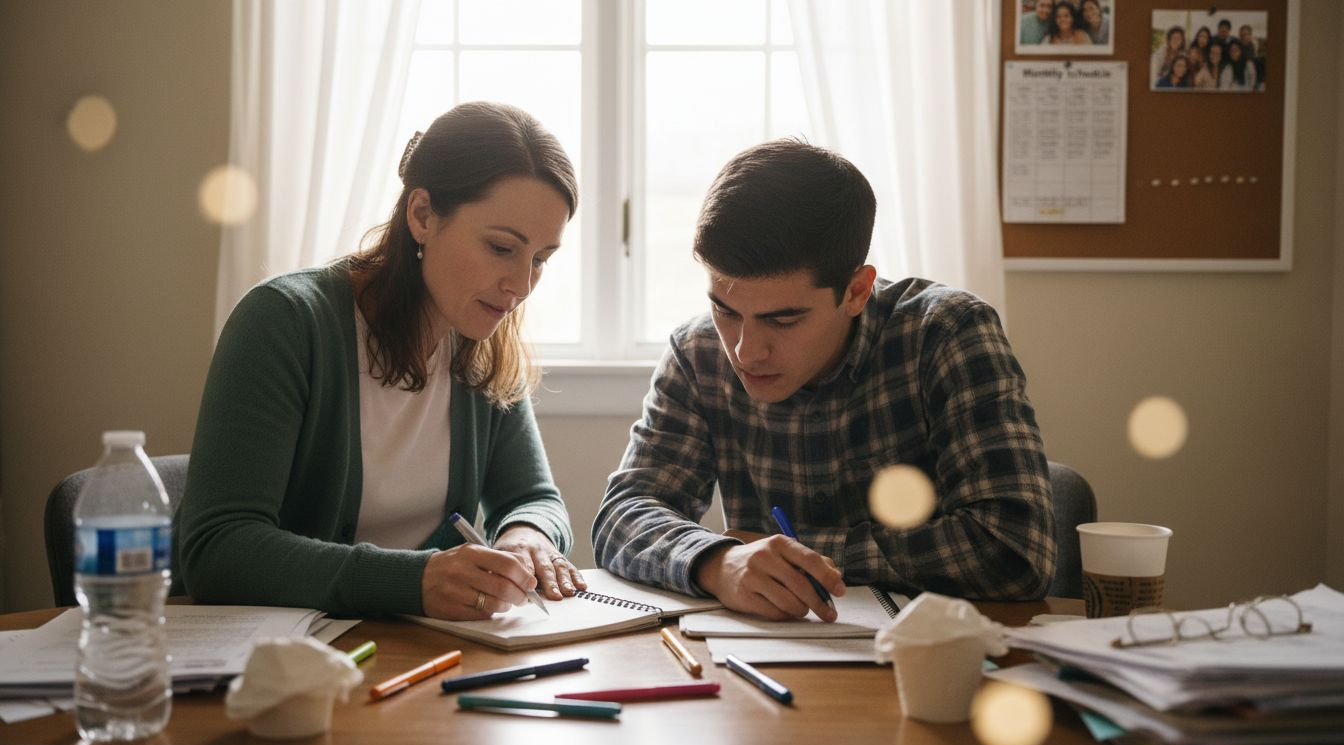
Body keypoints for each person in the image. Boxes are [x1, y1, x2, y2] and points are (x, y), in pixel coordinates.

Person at [593, 140, 1055, 622]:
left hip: (933, 653)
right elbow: (622, 515)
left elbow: (1015, 548)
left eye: (784, 320)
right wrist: (718, 561)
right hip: (763, 652)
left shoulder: (947, 333)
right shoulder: (698, 352)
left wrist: (799, 551)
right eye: (725, 310)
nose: (746, 351)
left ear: (856, 290)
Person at [178, 102, 587, 620]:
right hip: (287, 653)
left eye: (541, 259)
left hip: (416, 646)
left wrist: (527, 534)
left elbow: (534, 496)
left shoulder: (481, 338)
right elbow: (217, 549)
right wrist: (413, 580)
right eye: (502, 247)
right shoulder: (285, 321)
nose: (522, 285)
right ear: (422, 215)